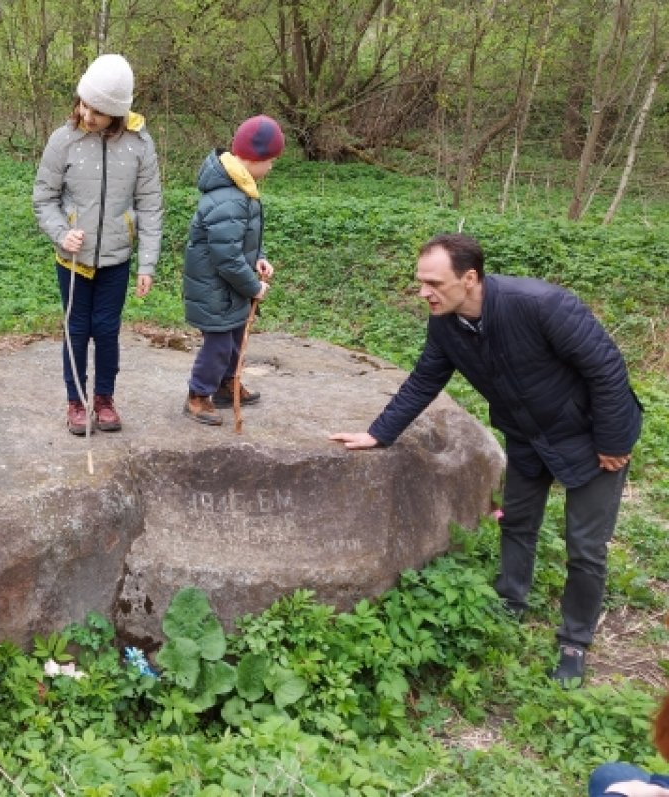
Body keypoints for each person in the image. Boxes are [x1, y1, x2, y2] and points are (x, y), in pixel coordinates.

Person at [329, 232, 643, 686]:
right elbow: (424, 380)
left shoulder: (541, 305)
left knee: (585, 548)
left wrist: (613, 441)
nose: (422, 292)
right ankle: (510, 602)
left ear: (470, 278)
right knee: (516, 521)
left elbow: (607, 369)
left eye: (433, 283)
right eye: (420, 281)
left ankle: (574, 641)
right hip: (527, 436)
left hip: (590, 436)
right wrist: (378, 434)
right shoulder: (447, 325)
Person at [33, 53, 163, 435]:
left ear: (117, 114)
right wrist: (61, 232)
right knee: (76, 328)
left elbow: (150, 206)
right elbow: (44, 198)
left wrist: (147, 264)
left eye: (98, 111)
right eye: (84, 105)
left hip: (116, 259)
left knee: (106, 330)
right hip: (73, 259)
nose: (87, 116)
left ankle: (104, 398)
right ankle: (76, 400)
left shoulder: (140, 145)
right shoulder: (63, 140)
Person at [181, 114, 283, 425]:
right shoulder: (230, 197)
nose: (272, 168)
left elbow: (239, 241)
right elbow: (225, 258)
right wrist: (253, 287)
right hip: (214, 291)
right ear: (256, 158)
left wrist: (258, 258)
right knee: (220, 344)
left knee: (235, 337)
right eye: (271, 161)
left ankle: (227, 385)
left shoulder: (241, 188)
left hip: (228, 289)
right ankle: (198, 395)